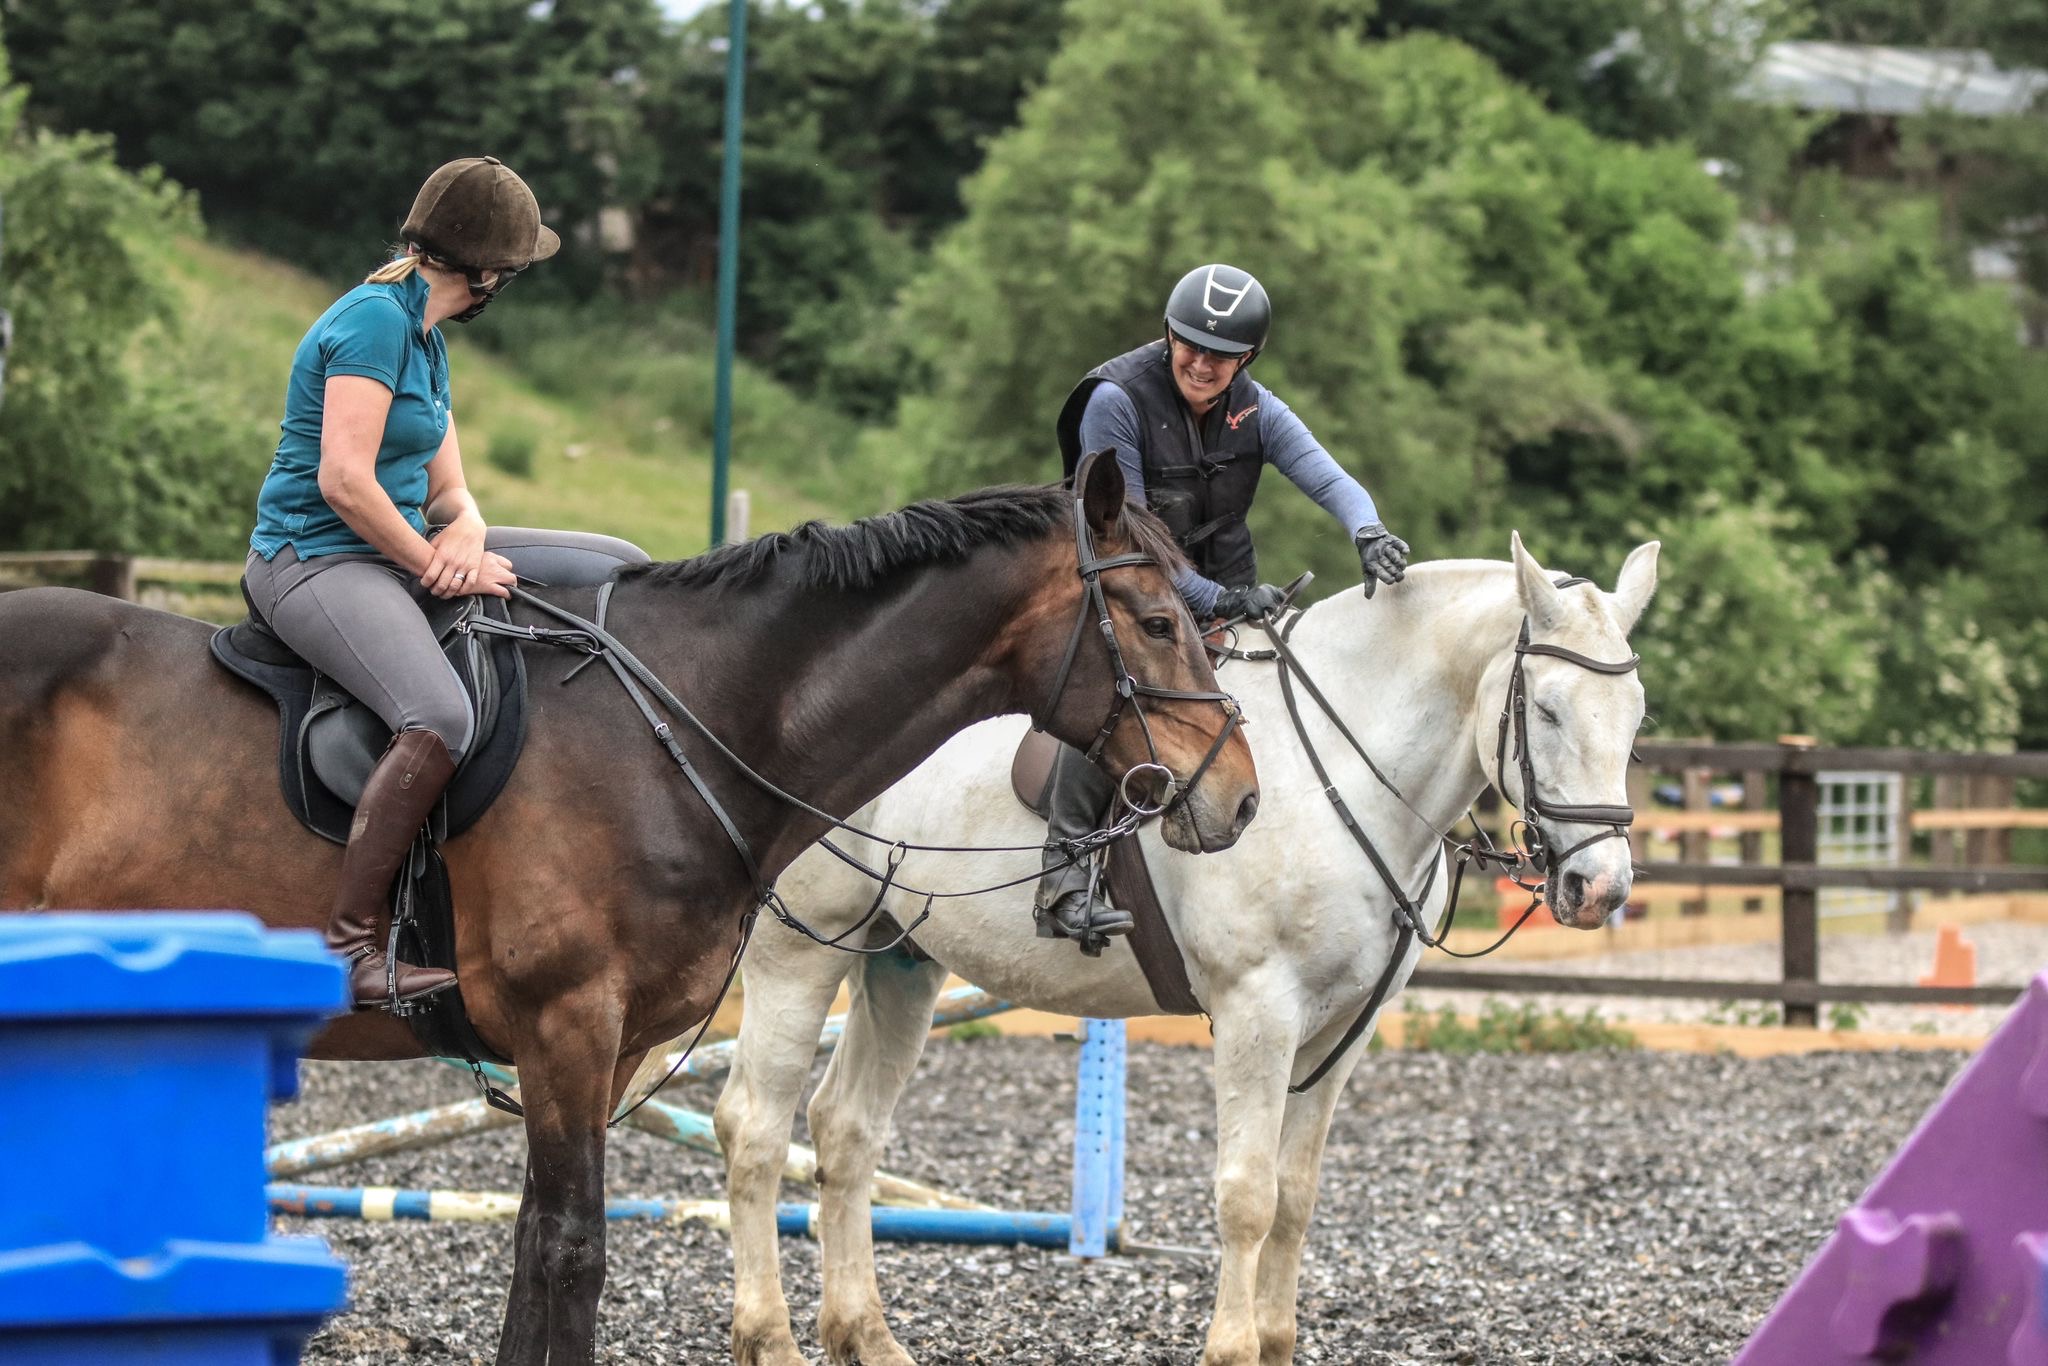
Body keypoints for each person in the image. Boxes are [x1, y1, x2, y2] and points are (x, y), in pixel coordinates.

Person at [243, 157, 650, 1009]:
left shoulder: (426, 340)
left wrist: (463, 530)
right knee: (438, 715)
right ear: (487, 268)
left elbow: (450, 491)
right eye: (512, 266)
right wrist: (437, 564)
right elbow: (344, 482)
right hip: (312, 559)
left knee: (612, 559)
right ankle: (354, 950)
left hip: (397, 545)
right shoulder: (374, 324)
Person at [1037, 262, 1409, 949]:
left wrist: (1369, 529)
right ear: (1167, 335)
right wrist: (1221, 598)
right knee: (1113, 690)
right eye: (1189, 345)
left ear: (1248, 359)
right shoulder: (1115, 401)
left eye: (1222, 354)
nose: (1202, 363)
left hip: (1222, 586)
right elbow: (1136, 540)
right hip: (1123, 581)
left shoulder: (1256, 409)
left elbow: (1329, 477)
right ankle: (1062, 877)